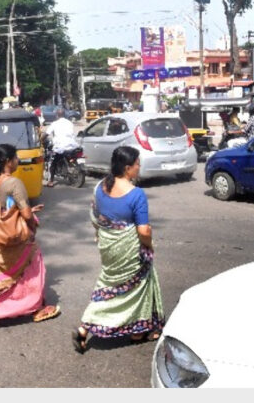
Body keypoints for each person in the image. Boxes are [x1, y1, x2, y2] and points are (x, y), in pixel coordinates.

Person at [71, 146, 165, 354]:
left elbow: (95, 216)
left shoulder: (100, 187)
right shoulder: (136, 194)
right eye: (137, 164)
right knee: (138, 287)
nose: (139, 167)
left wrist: (102, 234)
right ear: (127, 168)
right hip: (129, 249)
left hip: (108, 246)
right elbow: (144, 230)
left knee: (107, 285)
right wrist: (149, 245)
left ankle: (84, 328)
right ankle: (138, 331)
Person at [0, 144, 61, 333]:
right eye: (15, 157)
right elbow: (26, 214)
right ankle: (37, 309)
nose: (18, 161)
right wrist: (31, 227)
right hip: (11, 238)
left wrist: (21, 212)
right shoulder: (13, 183)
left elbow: (2, 210)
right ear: (8, 161)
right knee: (33, 265)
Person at [43, 108, 78, 188]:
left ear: (57, 115)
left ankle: (51, 181)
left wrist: (41, 140)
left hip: (61, 146)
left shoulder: (55, 124)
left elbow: (46, 134)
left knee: (53, 163)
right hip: (72, 145)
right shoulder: (69, 123)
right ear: (64, 115)